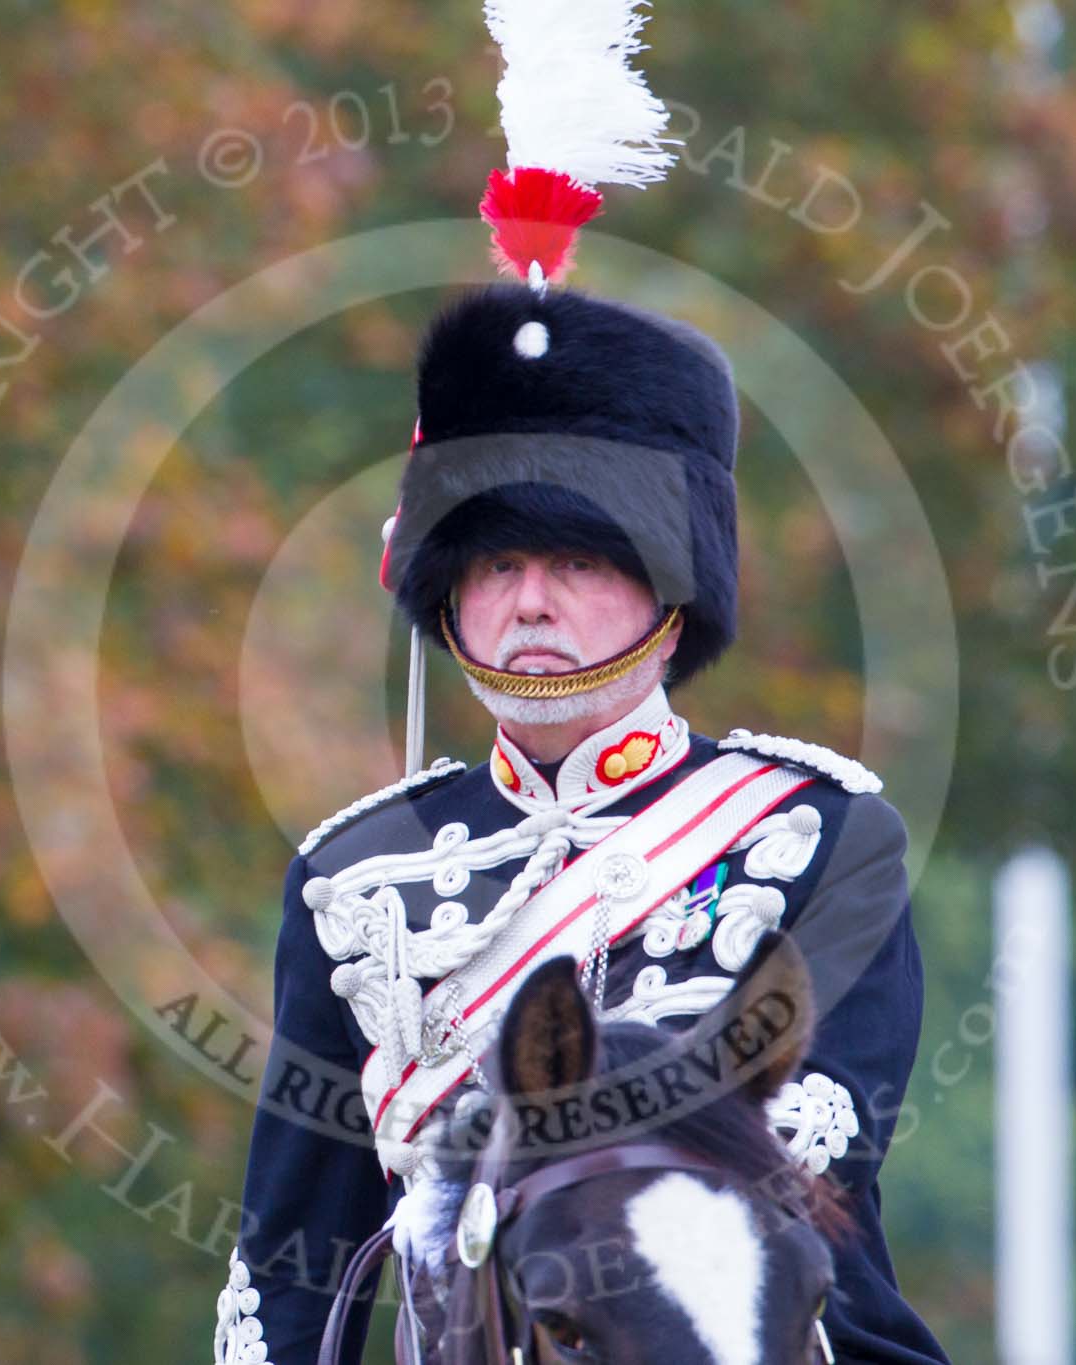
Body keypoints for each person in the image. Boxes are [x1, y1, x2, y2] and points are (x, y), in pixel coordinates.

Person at [210, 281, 950, 1364]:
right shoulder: (353, 877)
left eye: (578, 561)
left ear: (671, 588)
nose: (530, 604)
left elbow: (806, 1166)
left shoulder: (815, 835)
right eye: (497, 563)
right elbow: (288, 1263)